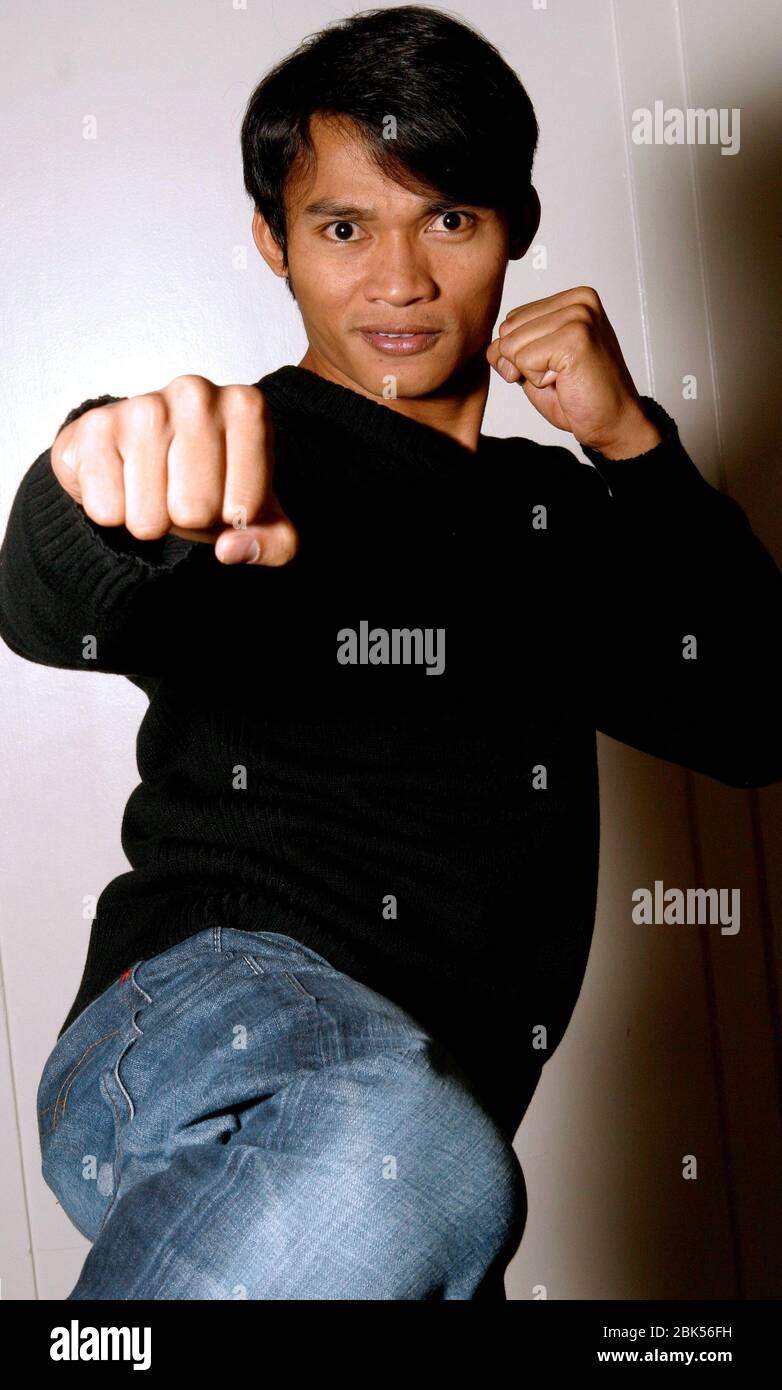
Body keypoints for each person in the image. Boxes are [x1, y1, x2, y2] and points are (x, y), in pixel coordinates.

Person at [2, 4, 780, 1301]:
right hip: (198, 1024)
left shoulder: (564, 519)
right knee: (404, 1149)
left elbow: (758, 716)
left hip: (426, 1146)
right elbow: (52, 594)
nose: (401, 279)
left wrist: (634, 448)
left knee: (417, 1158)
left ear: (516, 228)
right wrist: (102, 484)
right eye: (345, 226)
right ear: (275, 244)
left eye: (451, 219)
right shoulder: (248, 455)